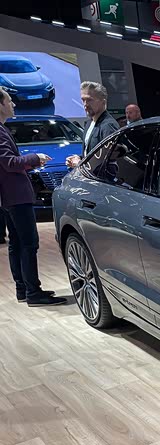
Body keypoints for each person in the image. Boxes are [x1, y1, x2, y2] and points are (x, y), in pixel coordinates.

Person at [0, 87, 65, 305]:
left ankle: (23, 290)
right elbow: (9, 163)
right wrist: (35, 158)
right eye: (9, 100)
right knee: (29, 244)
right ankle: (33, 292)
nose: (13, 104)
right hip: (16, 196)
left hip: (10, 196)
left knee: (17, 243)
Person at [66, 81, 120, 169]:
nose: (85, 104)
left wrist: (79, 163)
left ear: (103, 102)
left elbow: (107, 158)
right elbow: (92, 154)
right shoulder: (89, 123)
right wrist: (80, 158)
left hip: (102, 176)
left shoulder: (108, 125)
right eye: (83, 100)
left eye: (89, 100)